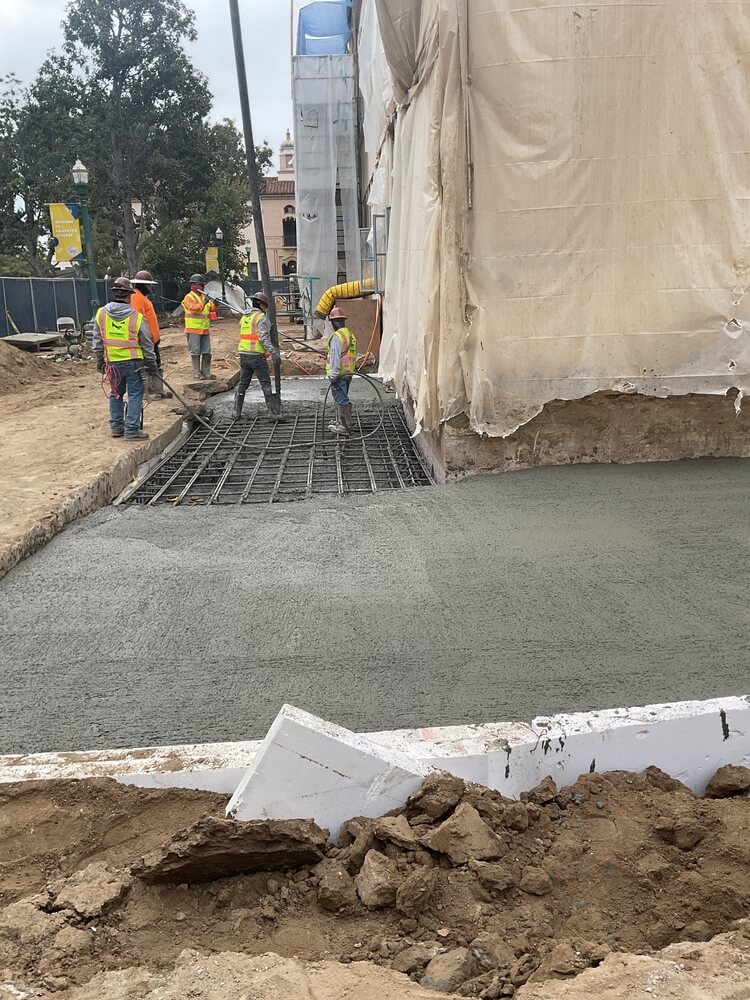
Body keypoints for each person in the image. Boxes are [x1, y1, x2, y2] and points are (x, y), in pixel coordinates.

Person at [93, 277, 158, 440]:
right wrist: (152, 365)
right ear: (129, 295)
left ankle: (116, 427)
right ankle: (132, 430)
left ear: (114, 294)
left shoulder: (101, 314)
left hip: (113, 364)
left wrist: (100, 361)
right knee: (135, 395)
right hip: (134, 364)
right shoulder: (136, 317)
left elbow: (97, 341)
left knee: (116, 394)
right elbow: (147, 344)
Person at [232, 291, 282, 420]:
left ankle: (236, 412)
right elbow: (263, 337)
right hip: (256, 356)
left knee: (243, 384)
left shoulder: (245, 317)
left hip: (243, 354)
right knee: (265, 383)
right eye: (265, 306)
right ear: (261, 304)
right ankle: (273, 413)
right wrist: (273, 351)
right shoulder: (261, 317)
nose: (266, 309)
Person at [132, 269, 171, 399]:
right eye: (148, 285)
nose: (150, 288)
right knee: (147, 365)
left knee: (155, 364)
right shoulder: (136, 298)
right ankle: (148, 392)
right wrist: (145, 339)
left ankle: (157, 389)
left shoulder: (142, 297)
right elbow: (138, 321)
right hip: (145, 340)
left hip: (151, 339)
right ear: (143, 285)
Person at [326, 307, 357, 436]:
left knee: (341, 399)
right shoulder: (349, 334)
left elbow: (335, 357)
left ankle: (345, 426)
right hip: (348, 373)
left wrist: (333, 377)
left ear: (333, 322)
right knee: (343, 396)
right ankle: (344, 421)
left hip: (339, 374)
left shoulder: (336, 337)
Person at [182, 273, 215, 380]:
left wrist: (216, 303)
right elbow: (194, 309)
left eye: (202, 285)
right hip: (193, 329)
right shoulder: (188, 297)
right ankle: (196, 373)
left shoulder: (204, 297)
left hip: (204, 329)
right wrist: (204, 303)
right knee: (195, 351)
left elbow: (212, 309)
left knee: (206, 350)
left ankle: (206, 372)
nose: (202, 287)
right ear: (193, 285)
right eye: (200, 285)